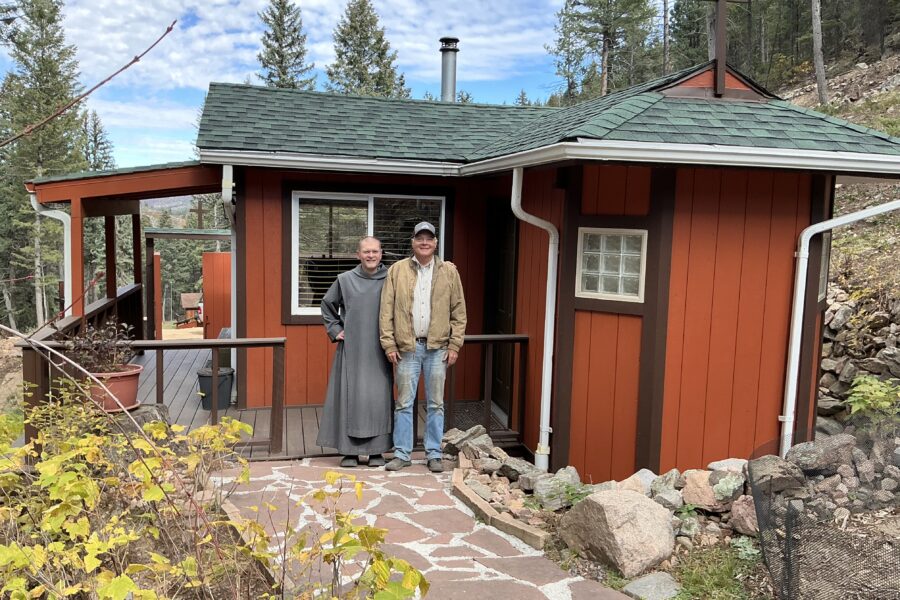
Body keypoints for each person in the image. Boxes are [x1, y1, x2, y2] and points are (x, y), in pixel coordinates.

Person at [379, 221, 467, 473]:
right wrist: (389, 343)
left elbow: (458, 311)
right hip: (407, 348)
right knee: (404, 403)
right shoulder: (397, 271)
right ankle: (402, 453)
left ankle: (434, 453)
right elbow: (386, 310)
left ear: (436, 243)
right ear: (413, 242)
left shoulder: (449, 272)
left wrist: (454, 344)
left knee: (436, 403)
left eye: (429, 238)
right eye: (420, 238)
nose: (425, 242)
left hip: (438, 348)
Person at [317, 237, 393, 467]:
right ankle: (349, 451)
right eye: (366, 252)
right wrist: (335, 329)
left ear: (381, 254)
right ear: (358, 254)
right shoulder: (345, 280)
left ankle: (377, 451)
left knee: (378, 401)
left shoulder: (391, 279)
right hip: (351, 350)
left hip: (381, 349)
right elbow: (327, 305)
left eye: (375, 251)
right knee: (349, 398)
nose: (371, 255)